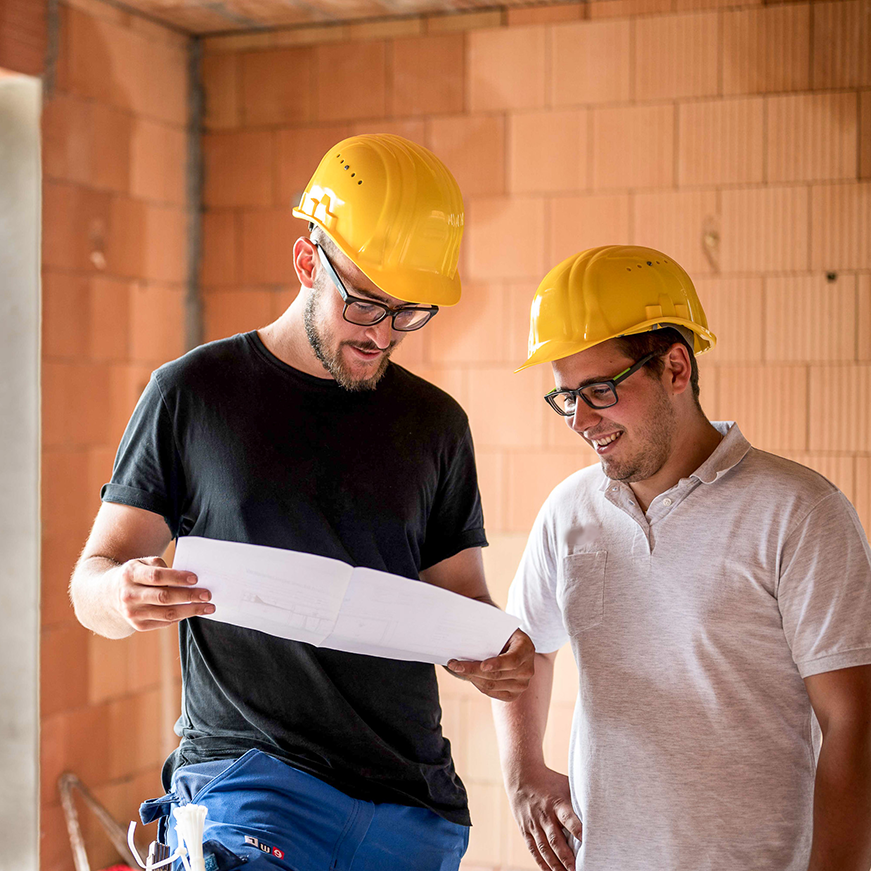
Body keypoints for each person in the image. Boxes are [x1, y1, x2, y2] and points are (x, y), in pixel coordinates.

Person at [70, 133, 534, 871]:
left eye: (407, 313)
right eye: (364, 304)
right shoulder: (192, 394)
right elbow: (91, 577)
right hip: (249, 780)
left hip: (409, 801)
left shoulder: (436, 425)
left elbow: (461, 605)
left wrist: (490, 658)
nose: (382, 335)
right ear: (306, 261)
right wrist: (120, 593)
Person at [493, 245, 871, 871]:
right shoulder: (569, 513)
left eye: (600, 389)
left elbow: (854, 720)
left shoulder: (800, 511)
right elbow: (519, 646)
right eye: (565, 397)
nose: (581, 419)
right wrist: (523, 771)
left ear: (675, 367)